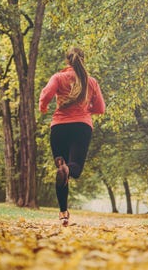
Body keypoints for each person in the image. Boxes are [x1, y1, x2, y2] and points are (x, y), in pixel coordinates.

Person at [39, 47, 105, 226]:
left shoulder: (58, 77)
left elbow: (46, 94)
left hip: (59, 128)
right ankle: (67, 170)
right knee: (73, 167)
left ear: (67, 61)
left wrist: (43, 107)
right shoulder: (91, 82)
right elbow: (100, 108)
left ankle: (63, 213)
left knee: (61, 169)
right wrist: (85, 111)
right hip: (81, 127)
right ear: (83, 60)